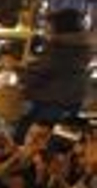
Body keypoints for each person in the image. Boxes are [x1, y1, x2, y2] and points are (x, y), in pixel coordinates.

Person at [16, 8, 92, 137]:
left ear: (60, 27)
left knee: (26, 136)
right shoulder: (81, 45)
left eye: (49, 26)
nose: (46, 30)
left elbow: (39, 74)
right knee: (55, 138)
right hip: (73, 100)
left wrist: (18, 71)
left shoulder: (60, 48)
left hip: (52, 102)